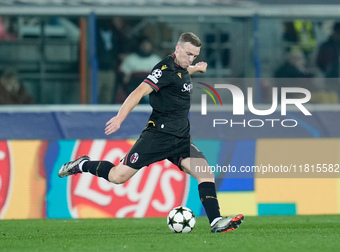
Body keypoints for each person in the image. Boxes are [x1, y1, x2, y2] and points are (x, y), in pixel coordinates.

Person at [58, 32, 244, 233]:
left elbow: (181, 71)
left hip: (181, 139)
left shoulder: (182, 67)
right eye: (188, 54)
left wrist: (195, 69)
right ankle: (83, 164)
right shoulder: (163, 69)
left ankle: (216, 221)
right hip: (157, 137)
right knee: (117, 177)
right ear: (177, 48)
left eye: (195, 56)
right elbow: (139, 91)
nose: (190, 59)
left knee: (206, 174)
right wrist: (120, 117)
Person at [119, 37, 162, 103]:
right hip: (134, 88)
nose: (145, 47)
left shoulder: (156, 59)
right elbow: (125, 77)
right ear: (139, 46)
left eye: (147, 45)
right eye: (143, 45)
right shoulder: (131, 58)